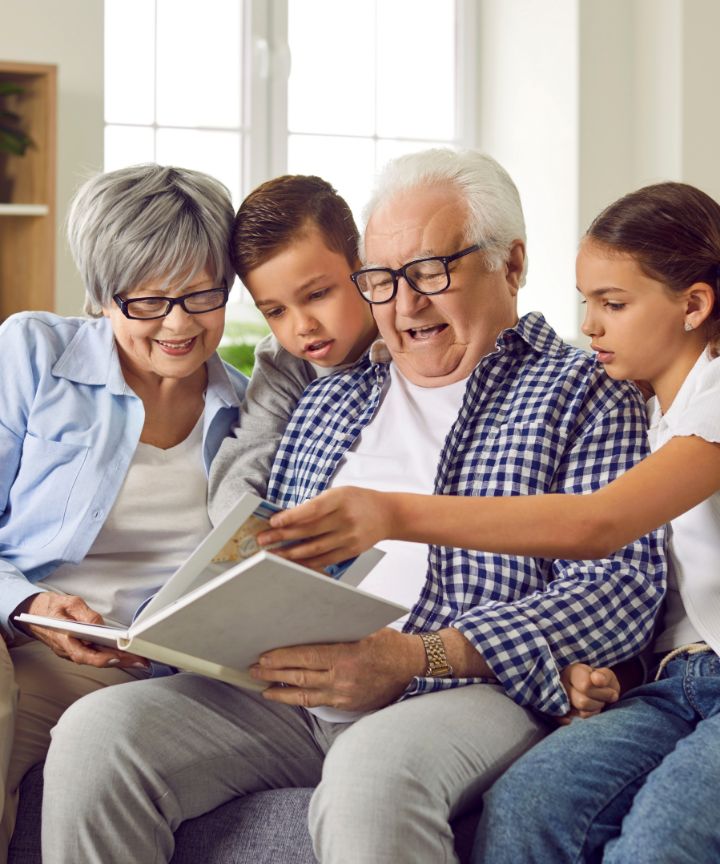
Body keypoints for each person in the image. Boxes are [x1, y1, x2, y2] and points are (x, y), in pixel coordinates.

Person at [40, 149, 665, 864]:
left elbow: (620, 590)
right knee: (98, 737)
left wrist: (412, 656)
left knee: (371, 775)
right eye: (384, 280)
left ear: (512, 264)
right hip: (293, 688)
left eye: (433, 271)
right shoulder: (330, 394)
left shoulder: (586, 391)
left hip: (463, 688)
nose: (406, 304)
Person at [266, 180, 720, 863]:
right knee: (528, 803)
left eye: (613, 304)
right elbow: (665, 593)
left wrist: (391, 513)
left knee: (660, 842)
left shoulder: (702, 403)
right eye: (587, 302)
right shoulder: (652, 403)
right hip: (674, 680)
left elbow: (600, 528)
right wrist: (611, 675)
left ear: (694, 305)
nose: (590, 325)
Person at [0, 163, 246, 862]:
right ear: (104, 297)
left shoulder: (251, 409)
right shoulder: (34, 355)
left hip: (142, 671)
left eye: (202, 296)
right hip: (20, 642)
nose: (178, 324)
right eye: (147, 301)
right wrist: (28, 605)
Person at [208, 174, 376, 520]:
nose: (303, 327)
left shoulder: (411, 337)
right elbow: (245, 459)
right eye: (276, 311)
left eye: (317, 295)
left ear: (363, 270)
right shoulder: (282, 363)